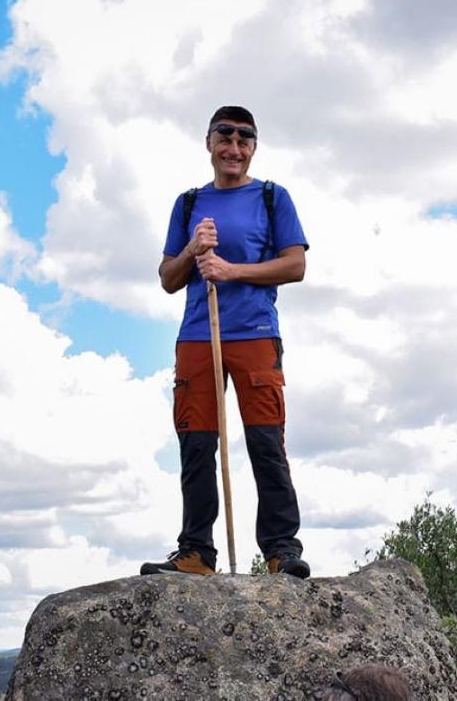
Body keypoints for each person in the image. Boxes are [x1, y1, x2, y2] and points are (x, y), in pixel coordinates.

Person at [140, 105, 311, 579]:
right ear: (209, 143)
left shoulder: (273, 198)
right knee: (196, 445)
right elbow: (167, 278)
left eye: (244, 139)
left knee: (265, 443)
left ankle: (281, 550)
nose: (234, 148)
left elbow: (294, 265)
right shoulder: (189, 204)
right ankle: (196, 553)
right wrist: (194, 251)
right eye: (226, 137)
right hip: (197, 335)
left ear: (253, 148)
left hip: (255, 334)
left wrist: (232, 270)